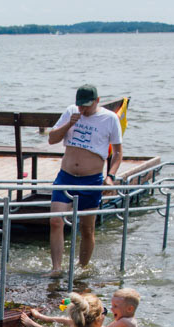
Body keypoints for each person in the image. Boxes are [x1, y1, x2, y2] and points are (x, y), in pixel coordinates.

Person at [47, 84, 124, 276]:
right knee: (55, 221)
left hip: (92, 179)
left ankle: (82, 269)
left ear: (97, 101)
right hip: (66, 176)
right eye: (80, 105)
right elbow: (51, 139)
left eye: (87, 106)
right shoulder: (71, 112)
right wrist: (69, 124)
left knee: (87, 228)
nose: (83, 110)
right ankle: (56, 268)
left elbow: (118, 152)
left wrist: (110, 176)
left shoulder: (110, 118)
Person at [27, 287, 140, 327]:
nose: (111, 309)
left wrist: (91, 318)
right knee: (76, 323)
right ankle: (45, 318)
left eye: (115, 306)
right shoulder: (127, 320)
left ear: (129, 309)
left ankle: (42, 325)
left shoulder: (125, 322)